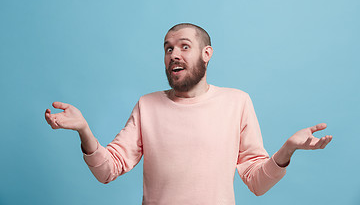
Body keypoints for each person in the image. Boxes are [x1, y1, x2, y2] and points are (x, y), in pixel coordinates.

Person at [45, 23, 332, 205]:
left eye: (184, 46)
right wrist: (84, 131)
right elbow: (109, 169)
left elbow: (257, 182)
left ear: (207, 54)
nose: (173, 54)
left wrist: (288, 149)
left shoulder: (237, 102)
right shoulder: (147, 105)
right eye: (168, 49)